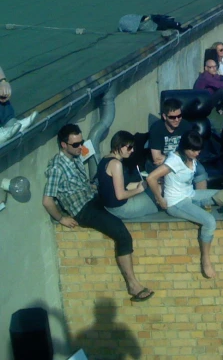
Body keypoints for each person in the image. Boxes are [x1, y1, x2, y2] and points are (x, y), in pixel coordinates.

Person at [42, 124, 154, 302]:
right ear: (63, 145)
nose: (81, 147)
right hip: (84, 210)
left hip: (93, 198)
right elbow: (47, 200)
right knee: (122, 234)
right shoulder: (57, 168)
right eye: (76, 144)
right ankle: (133, 286)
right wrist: (61, 218)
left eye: (81, 142)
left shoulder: (76, 156)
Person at [147, 131, 223, 278]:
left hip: (190, 195)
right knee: (209, 222)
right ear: (184, 147)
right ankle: (206, 261)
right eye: (193, 150)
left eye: (199, 150)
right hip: (176, 202)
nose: (197, 153)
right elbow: (151, 178)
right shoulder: (174, 160)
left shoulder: (190, 158)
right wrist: (160, 199)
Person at [148, 98, 208, 189]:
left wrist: (176, 158)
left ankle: (202, 200)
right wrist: (177, 158)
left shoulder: (186, 126)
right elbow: (157, 158)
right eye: (172, 117)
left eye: (179, 116)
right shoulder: (156, 129)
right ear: (164, 116)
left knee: (200, 171)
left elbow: (190, 150)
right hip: (166, 163)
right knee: (164, 174)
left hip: (182, 160)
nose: (177, 119)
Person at [98, 131, 157, 220]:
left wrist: (143, 184)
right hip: (120, 209)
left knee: (151, 191)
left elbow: (117, 186)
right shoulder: (116, 164)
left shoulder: (105, 159)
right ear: (119, 145)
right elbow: (120, 195)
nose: (132, 150)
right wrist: (139, 189)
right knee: (155, 198)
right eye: (129, 147)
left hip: (109, 207)